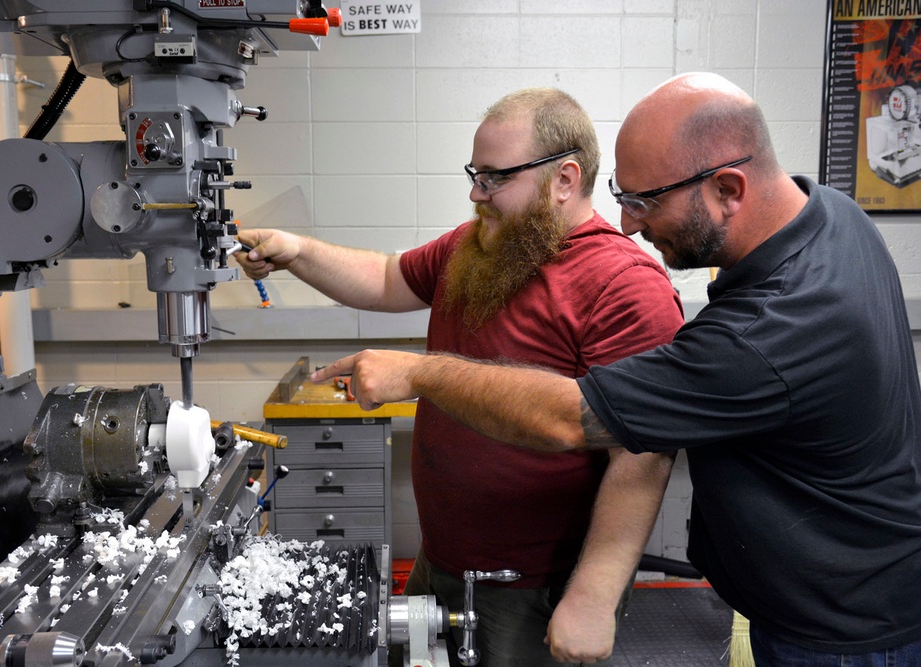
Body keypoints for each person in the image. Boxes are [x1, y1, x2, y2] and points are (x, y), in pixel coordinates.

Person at [312, 72, 921, 666]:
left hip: (841, 630)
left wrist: (423, 375)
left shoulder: (757, 331)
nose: (628, 222)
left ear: (730, 190)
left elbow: (594, 428)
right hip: (820, 595)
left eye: (644, 201)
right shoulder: (834, 215)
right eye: (622, 198)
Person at [236, 88, 685, 666]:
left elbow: (642, 458)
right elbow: (384, 278)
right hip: (442, 561)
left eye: (495, 178)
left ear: (565, 179)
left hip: (533, 588)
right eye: (475, 174)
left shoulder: (624, 286)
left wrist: (594, 595)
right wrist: (294, 250)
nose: (476, 193)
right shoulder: (478, 248)